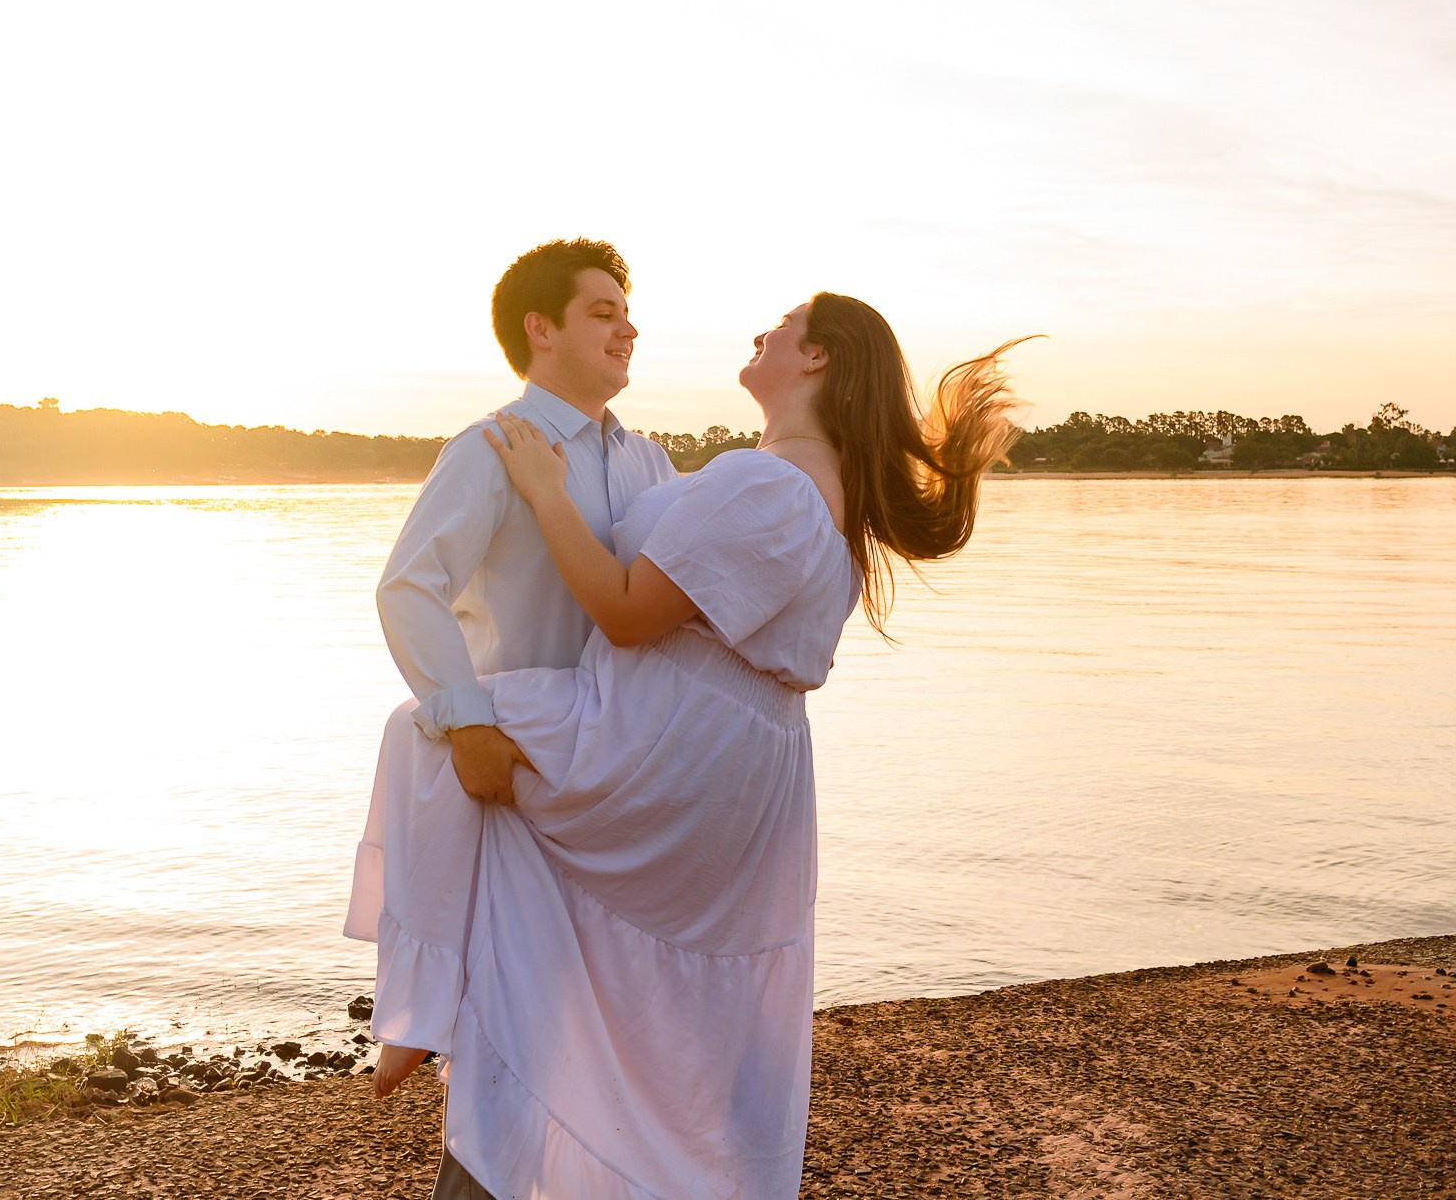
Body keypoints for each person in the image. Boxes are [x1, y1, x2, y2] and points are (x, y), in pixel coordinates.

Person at [348, 291, 1024, 1198]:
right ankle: (479, 1045)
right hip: (741, 762)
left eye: (782, 326)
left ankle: (419, 1007)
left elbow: (627, 614)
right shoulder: (803, 487)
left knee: (429, 729)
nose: (763, 332)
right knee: (618, 959)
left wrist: (546, 491)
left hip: (658, 737)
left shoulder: (765, 482)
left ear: (818, 358)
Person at [361, 236, 678, 1196]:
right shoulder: (492, 447)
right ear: (540, 330)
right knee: (512, 1037)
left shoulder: (650, 461)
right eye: (602, 312)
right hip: (515, 779)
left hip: (613, 784)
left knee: (606, 1034)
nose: (627, 327)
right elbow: (407, 587)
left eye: (627, 312)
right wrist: (465, 726)